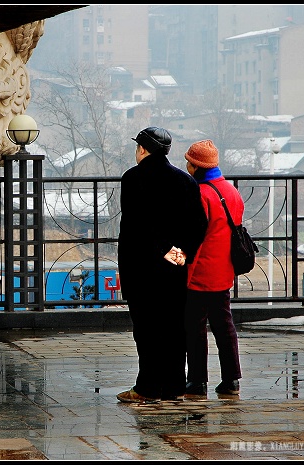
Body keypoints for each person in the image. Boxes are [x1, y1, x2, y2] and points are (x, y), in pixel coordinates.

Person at [116, 127, 208, 403]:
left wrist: (160, 250)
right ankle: (174, 386)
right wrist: (179, 255)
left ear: (143, 149)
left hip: (141, 269)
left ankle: (146, 387)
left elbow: (136, 226)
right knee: (172, 327)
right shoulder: (185, 181)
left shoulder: (132, 179)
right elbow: (199, 224)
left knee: (146, 330)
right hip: (173, 270)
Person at [183, 139, 243, 397]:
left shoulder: (200, 194)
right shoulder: (231, 191)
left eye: (188, 161)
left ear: (196, 165)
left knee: (195, 329)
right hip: (224, 271)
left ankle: (197, 381)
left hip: (201, 272)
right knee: (224, 326)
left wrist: (183, 268)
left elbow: (194, 236)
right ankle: (231, 379)